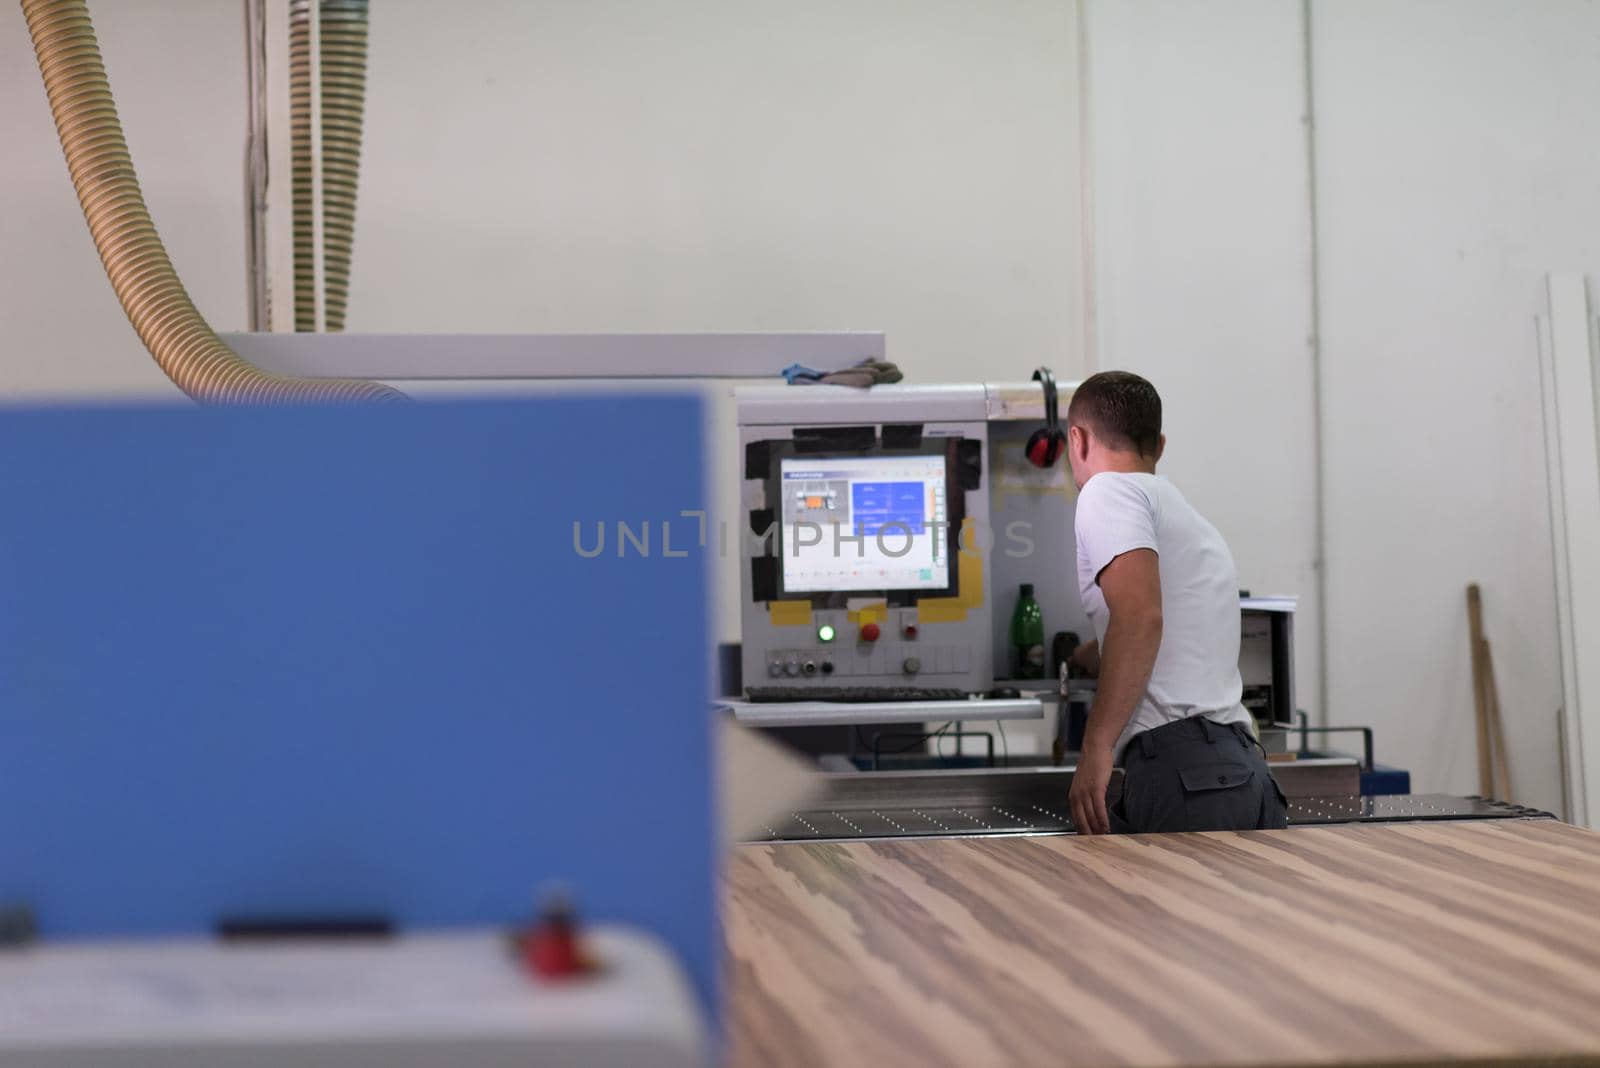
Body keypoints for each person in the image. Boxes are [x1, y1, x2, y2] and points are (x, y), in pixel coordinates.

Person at [1062, 371, 1287, 835]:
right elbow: (1168, 617)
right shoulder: (1184, 513)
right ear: (1159, 446)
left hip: (1185, 774)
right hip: (1241, 770)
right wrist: (1092, 653)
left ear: (1077, 440)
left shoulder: (1106, 491)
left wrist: (1096, 747)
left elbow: (1141, 616)